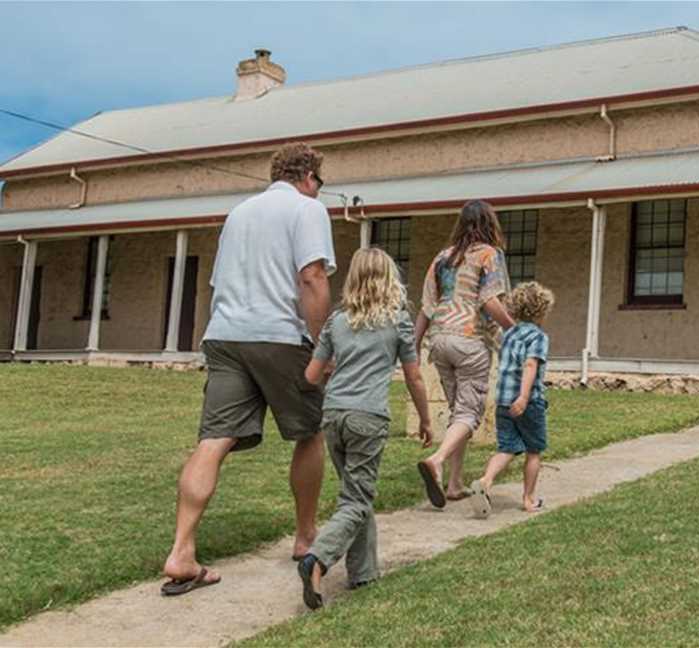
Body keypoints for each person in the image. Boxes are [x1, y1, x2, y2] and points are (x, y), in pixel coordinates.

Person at [161, 142, 335, 596]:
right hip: (279, 334)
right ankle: (305, 537)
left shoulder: (239, 213)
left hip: (225, 333)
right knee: (309, 431)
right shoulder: (307, 210)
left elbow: (218, 281)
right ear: (310, 177)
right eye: (320, 182)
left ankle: (181, 552)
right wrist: (324, 346)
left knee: (213, 440)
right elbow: (313, 276)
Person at [297, 247, 432, 609]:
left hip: (333, 415)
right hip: (368, 418)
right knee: (357, 499)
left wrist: (338, 368)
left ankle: (365, 573)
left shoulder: (336, 322)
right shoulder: (399, 321)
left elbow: (312, 375)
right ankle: (318, 559)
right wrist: (425, 418)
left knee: (356, 494)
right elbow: (414, 377)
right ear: (390, 280)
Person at [415, 200, 514, 509]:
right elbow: (489, 301)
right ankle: (437, 460)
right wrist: (514, 330)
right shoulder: (489, 255)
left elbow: (427, 308)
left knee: (459, 411)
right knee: (469, 414)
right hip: (470, 341)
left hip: (440, 341)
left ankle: (455, 483)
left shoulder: (442, 258)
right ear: (490, 224)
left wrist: (414, 345)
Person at [470, 281, 555, 518]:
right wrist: (525, 396)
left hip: (503, 401)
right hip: (528, 402)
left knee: (506, 447)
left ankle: (485, 481)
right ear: (541, 311)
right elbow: (530, 364)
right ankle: (528, 499)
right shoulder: (538, 337)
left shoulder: (508, 335)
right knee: (534, 450)